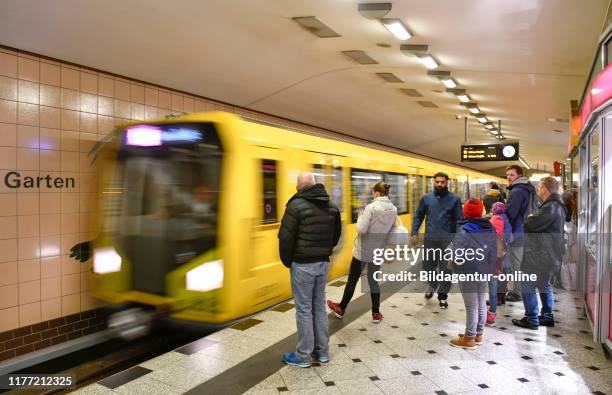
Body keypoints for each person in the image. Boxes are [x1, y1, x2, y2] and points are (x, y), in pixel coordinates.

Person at [278, 172, 341, 367]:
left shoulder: (295, 206)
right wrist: (324, 251)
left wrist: (289, 262)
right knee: (319, 307)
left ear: (298, 188)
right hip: (322, 264)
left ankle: (303, 355)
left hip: (302, 265)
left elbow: (285, 239)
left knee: (304, 310)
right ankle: (322, 353)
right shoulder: (332, 207)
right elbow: (336, 236)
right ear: (315, 185)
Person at [327, 181, 397, 323]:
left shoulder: (371, 208)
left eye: (373, 192)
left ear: (376, 193)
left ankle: (341, 308)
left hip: (363, 251)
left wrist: (360, 215)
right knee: (373, 281)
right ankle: (376, 313)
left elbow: (361, 230)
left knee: (352, 279)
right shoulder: (394, 209)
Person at [512, 177, 566, 329]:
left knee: (527, 284)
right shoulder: (557, 205)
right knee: (544, 284)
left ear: (545, 189)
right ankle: (547, 317)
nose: (537, 190)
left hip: (539, 253)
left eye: (539, 187)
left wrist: (530, 218)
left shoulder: (549, 207)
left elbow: (530, 225)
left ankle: (531, 319)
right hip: (550, 253)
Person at [449, 197, 497, 349]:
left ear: (466, 212)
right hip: (483, 270)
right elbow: (493, 252)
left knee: (471, 306)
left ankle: (469, 338)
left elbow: (456, 254)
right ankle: (478, 334)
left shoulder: (464, 230)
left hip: (467, 271)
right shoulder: (489, 227)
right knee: (481, 302)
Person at [412, 172, 463, 308]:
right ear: (433, 182)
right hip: (430, 239)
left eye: (442, 182)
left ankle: (442, 296)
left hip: (448, 240)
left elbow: (459, 220)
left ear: (447, 183)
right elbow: (419, 216)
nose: (440, 184)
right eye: (437, 182)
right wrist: (414, 232)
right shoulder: (426, 199)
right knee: (428, 265)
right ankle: (433, 285)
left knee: (446, 269)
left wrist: (457, 238)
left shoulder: (455, 200)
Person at [504, 165, 536, 302]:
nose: (509, 177)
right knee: (521, 263)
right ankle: (521, 290)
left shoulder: (517, 191)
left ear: (519, 175)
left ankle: (518, 293)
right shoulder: (527, 188)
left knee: (516, 264)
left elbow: (510, 213)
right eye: (507, 175)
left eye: (512, 175)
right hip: (525, 229)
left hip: (517, 232)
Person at [486, 202, 513, 326]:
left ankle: (488, 314)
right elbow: (510, 238)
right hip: (501, 254)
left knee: (489, 285)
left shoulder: (494, 219)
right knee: (497, 279)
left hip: (490, 256)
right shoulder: (506, 219)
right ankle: (493, 311)